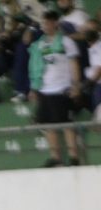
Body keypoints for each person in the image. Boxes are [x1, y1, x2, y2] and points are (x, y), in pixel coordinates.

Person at [29, 10, 82, 167]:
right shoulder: (40, 44)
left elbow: (74, 64)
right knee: (47, 125)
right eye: (42, 23)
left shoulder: (66, 42)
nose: (43, 26)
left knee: (65, 124)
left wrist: (76, 85)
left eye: (46, 22)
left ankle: (73, 157)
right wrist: (34, 88)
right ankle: (55, 157)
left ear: (55, 23)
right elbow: (36, 67)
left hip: (62, 88)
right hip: (45, 89)